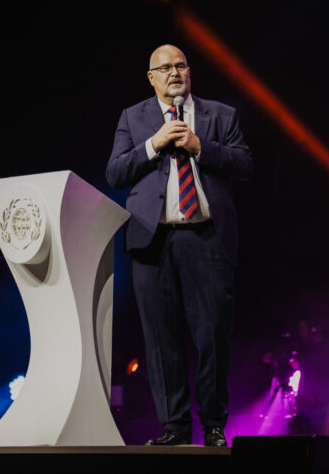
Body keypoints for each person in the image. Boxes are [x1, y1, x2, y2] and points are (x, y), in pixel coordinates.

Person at [106, 44, 252, 446]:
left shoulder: (221, 115)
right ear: (151, 78)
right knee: (161, 338)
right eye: (165, 67)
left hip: (207, 238)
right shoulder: (133, 118)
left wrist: (199, 146)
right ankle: (174, 426)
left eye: (181, 65)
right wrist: (153, 144)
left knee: (213, 335)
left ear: (190, 72)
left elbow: (244, 164)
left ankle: (215, 425)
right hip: (152, 240)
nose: (174, 72)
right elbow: (115, 172)